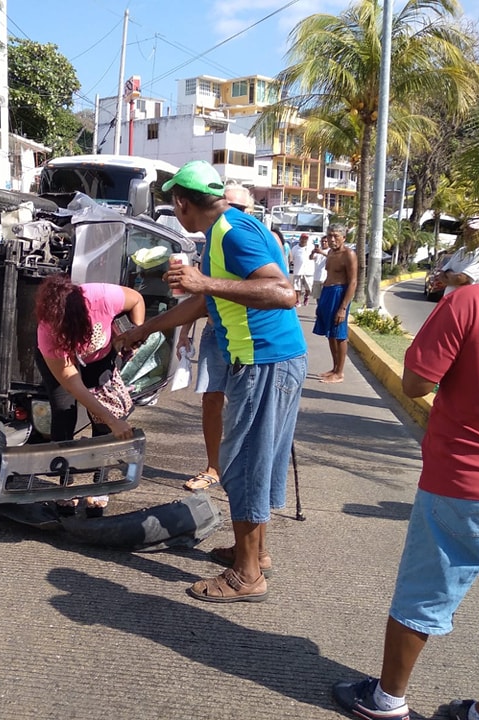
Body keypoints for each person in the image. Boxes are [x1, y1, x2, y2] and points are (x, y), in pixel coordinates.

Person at [332, 197, 479, 720]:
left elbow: (417, 381)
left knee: (423, 597)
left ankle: (387, 701)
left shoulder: (471, 302)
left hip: (464, 486)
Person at [118, 160, 307, 602]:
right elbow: (206, 303)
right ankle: (254, 555)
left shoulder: (232, 233)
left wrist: (203, 279)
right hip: (269, 361)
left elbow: (283, 294)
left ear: (182, 203)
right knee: (255, 462)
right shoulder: (231, 226)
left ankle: (246, 577)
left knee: (241, 465)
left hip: (265, 362)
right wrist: (143, 330)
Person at [35, 274, 146, 516]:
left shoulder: (102, 297)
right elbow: (74, 386)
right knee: (65, 413)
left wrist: (136, 335)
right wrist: (114, 421)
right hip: (63, 365)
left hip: (100, 358)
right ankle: (65, 483)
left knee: (103, 422)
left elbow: (136, 299)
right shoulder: (47, 333)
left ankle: (99, 483)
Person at [176, 182, 256, 492]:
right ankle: (214, 467)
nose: (231, 214)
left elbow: (276, 291)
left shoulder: (252, 237)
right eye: (228, 205)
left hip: (248, 338)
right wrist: (184, 332)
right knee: (211, 399)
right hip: (214, 330)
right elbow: (199, 293)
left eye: (239, 209)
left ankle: (239, 468)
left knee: (242, 406)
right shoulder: (212, 240)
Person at [312, 224, 357, 384]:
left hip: (339, 294)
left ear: (344, 238)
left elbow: (352, 282)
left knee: (339, 334)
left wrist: (343, 308)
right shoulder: (330, 253)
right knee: (330, 334)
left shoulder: (349, 254)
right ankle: (334, 367)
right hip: (327, 292)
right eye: (330, 235)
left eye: (336, 236)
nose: (332, 239)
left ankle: (340, 372)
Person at [430, 231, 479, 296]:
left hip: (467, 302)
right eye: (466, 230)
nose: (467, 234)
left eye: (472, 231)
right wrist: (455, 279)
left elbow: (460, 278)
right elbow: (441, 275)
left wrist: (447, 273)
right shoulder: (461, 251)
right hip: (450, 300)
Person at [290, 233, 315, 306]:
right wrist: (291, 262)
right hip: (298, 271)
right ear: (300, 239)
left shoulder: (311, 247)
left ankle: (306, 296)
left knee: (309, 288)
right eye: (303, 238)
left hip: (308, 271)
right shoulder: (295, 248)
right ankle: (297, 300)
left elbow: (314, 257)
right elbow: (292, 257)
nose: (304, 240)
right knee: (297, 287)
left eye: (306, 239)